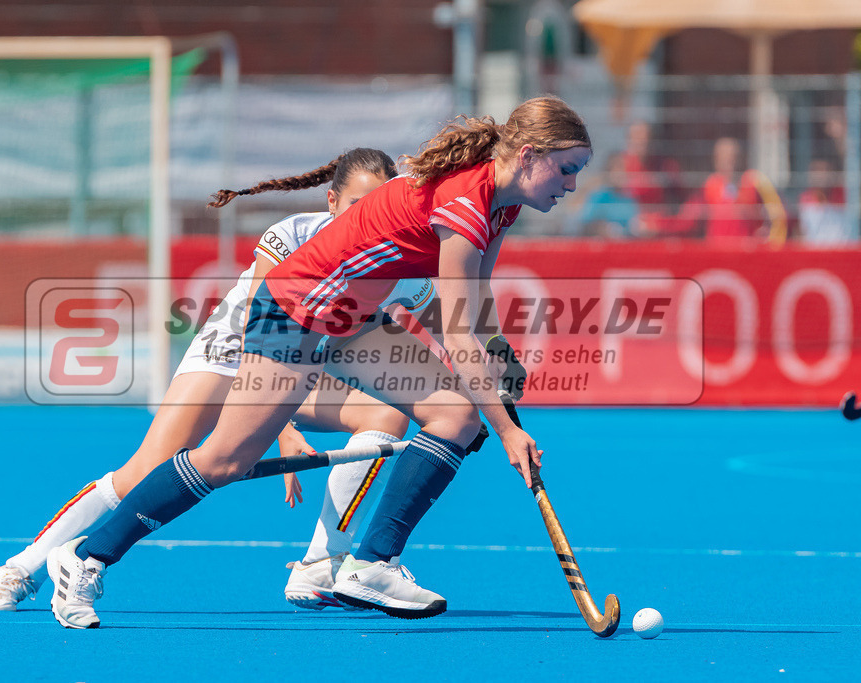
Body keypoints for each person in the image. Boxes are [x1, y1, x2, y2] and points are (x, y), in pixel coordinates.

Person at [47, 95, 591, 627]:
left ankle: (372, 565)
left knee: (454, 414)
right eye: (566, 170)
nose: (571, 185)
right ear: (528, 156)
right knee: (224, 461)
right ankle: (86, 558)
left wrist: (496, 351)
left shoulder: (503, 204)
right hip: (295, 307)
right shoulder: (466, 203)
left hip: (352, 318)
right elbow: (457, 334)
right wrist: (508, 430)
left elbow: (477, 299)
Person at [0, 148, 430, 612]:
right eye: (358, 206)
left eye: (379, 205)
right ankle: (19, 567)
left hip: (304, 364)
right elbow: (263, 329)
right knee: (141, 473)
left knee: (384, 413)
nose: (368, 218)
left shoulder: (404, 268)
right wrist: (282, 428)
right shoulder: (293, 234)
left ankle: (321, 563)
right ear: (332, 202)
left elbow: (426, 332)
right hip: (232, 350)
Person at [578, 151, 643, 238]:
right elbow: (585, 223)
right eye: (617, 168)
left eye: (624, 168)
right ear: (609, 170)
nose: (621, 173)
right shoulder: (598, 196)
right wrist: (602, 228)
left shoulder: (629, 198)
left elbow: (634, 225)